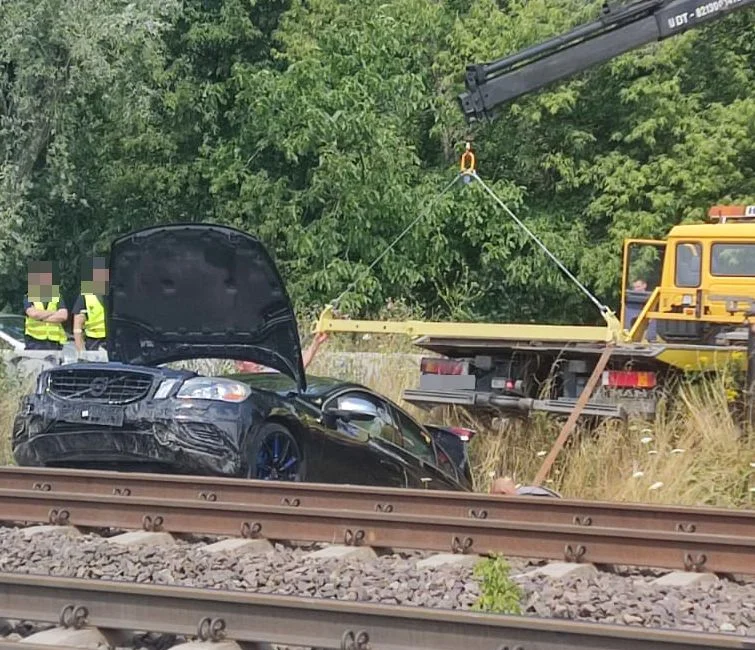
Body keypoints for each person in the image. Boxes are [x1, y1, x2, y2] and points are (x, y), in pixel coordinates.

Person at [23, 261, 68, 350]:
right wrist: (54, 312)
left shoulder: (57, 296)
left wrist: (40, 317)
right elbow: (33, 314)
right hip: (34, 342)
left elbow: (63, 315)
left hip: (54, 342)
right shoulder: (29, 296)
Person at [235, 332, 329, 373]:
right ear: (240, 366)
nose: (257, 362)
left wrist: (316, 343)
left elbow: (298, 367)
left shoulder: (270, 375)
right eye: (250, 360)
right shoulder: (236, 386)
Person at [71, 257, 109, 352]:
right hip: (94, 343)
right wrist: (81, 352)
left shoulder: (115, 292)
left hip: (114, 341)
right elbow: (77, 326)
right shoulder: (85, 295)